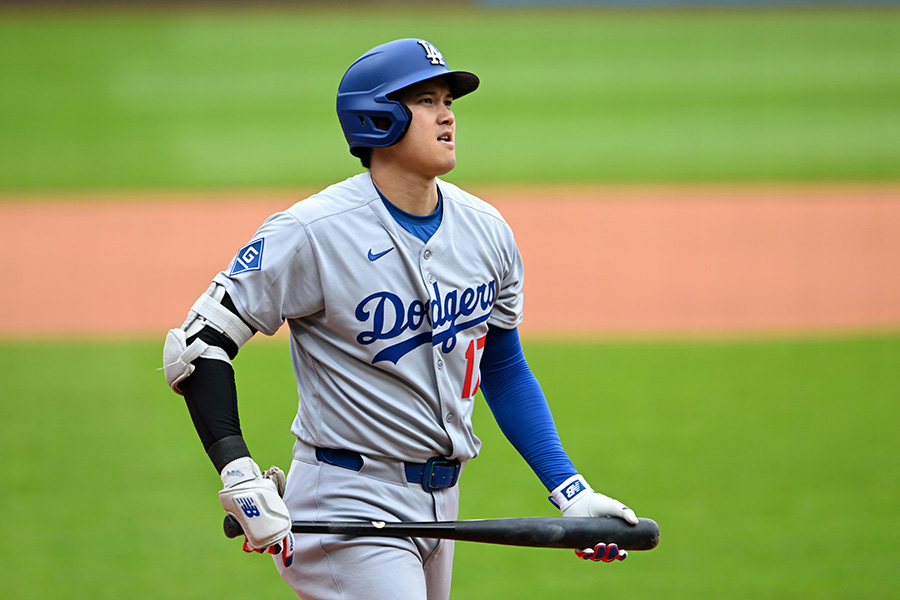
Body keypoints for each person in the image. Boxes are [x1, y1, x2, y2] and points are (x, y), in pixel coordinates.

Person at [163, 38, 639, 600]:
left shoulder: (487, 231)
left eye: (450, 102)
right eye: (427, 100)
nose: (447, 115)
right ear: (377, 117)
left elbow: (503, 369)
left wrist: (570, 490)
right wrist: (238, 473)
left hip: (443, 504)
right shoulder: (313, 232)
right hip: (347, 502)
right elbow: (196, 346)